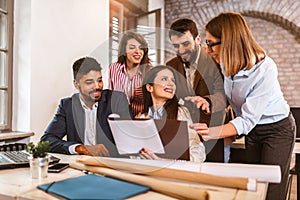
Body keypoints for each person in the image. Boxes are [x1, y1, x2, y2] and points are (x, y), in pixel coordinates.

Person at [189, 12, 296, 200]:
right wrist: (210, 101)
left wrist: (211, 133)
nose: (208, 49)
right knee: (254, 187)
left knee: (271, 191)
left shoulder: (265, 68)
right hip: (254, 131)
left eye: (211, 43)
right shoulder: (226, 64)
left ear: (228, 41)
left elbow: (247, 119)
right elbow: (229, 98)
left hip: (277, 130)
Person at [41, 57, 132, 157]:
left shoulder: (117, 100)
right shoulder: (67, 105)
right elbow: (47, 140)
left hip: (112, 166)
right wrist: (80, 148)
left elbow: (129, 139)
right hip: (80, 166)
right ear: (76, 84)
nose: (97, 86)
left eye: (99, 80)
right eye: (89, 82)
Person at [166, 18, 227, 162]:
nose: (180, 50)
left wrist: (207, 101)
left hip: (212, 130)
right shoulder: (171, 65)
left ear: (198, 39)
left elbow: (223, 95)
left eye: (186, 43)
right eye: (176, 46)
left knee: (212, 178)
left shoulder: (215, 60)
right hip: (186, 134)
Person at [138, 65, 206, 163]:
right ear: (149, 87)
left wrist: (171, 162)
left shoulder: (181, 113)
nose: (171, 84)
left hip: (176, 172)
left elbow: (198, 150)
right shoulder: (142, 118)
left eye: (173, 80)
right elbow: (135, 153)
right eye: (164, 79)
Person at [108, 31, 152, 117]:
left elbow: (153, 102)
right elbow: (111, 96)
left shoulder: (149, 71)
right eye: (132, 48)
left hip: (141, 119)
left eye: (141, 48)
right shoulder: (114, 68)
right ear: (124, 52)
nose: (138, 51)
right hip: (118, 118)